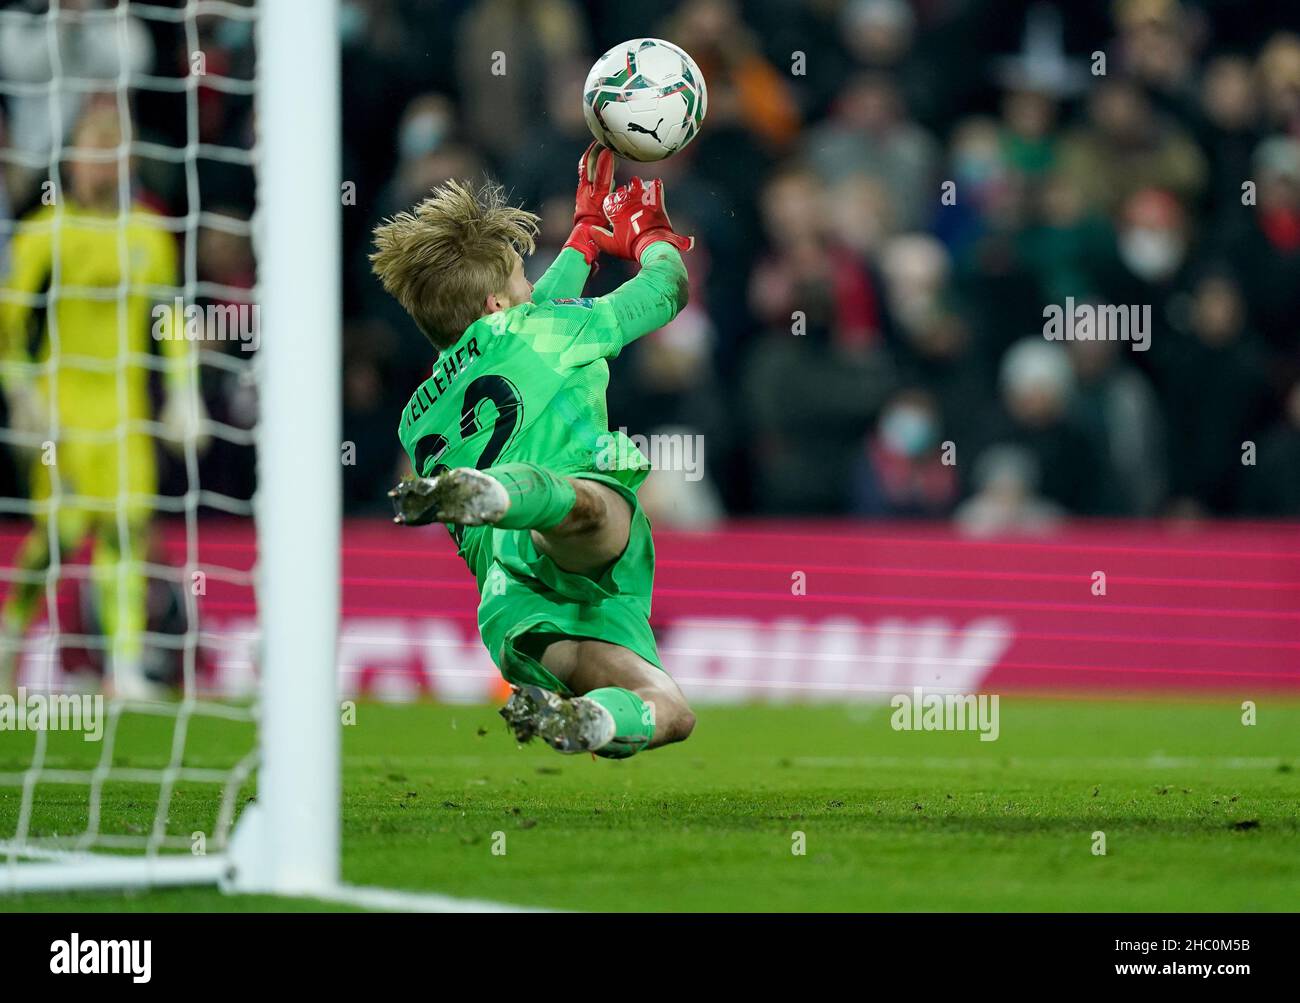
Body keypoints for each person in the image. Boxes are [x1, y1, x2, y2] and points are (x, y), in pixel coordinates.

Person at [371, 144, 696, 758]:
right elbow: (666, 290)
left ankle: (585, 722)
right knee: (593, 507)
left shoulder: (418, 417)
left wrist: (586, 236)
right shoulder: (546, 330)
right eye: (521, 276)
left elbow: (535, 309)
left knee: (670, 711)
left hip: (514, 607)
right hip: (554, 534)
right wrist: (651, 235)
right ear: (497, 304)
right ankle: (496, 493)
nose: (533, 284)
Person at [0, 104, 205, 697]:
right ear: (72, 158)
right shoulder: (43, 234)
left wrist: (184, 395)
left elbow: (169, 320)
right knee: (57, 540)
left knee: (126, 533)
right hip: (60, 412)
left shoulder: (148, 234)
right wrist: (22, 394)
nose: (104, 163)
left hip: (124, 413)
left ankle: (123, 669)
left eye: (116, 150)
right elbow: (12, 329)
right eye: (95, 149)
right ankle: (12, 633)